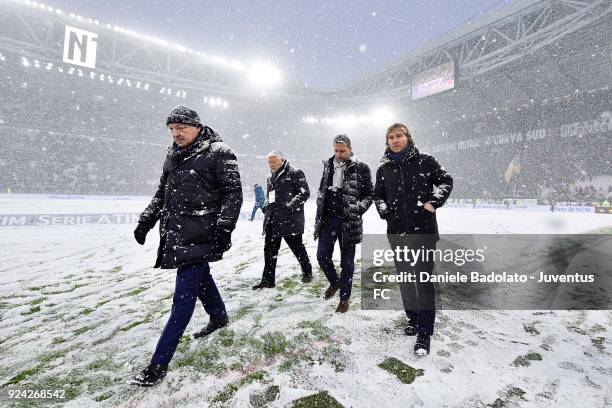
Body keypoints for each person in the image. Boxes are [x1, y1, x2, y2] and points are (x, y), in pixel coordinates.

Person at [130, 106, 243, 386]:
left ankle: (158, 363)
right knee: (201, 277)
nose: (176, 133)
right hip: (178, 232)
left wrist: (224, 228)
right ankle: (219, 317)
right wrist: (146, 221)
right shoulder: (172, 154)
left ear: (197, 126)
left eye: (181, 127)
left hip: (202, 232)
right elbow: (162, 193)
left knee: (182, 301)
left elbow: (233, 194)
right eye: (171, 128)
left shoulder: (219, 152)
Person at [373, 123, 452, 356]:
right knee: (406, 278)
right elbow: (378, 196)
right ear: (386, 142)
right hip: (397, 232)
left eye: (399, 136)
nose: (395, 140)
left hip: (423, 231)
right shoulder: (384, 168)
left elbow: (446, 181)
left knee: (423, 280)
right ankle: (414, 318)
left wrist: (434, 202)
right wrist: (385, 211)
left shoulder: (425, 161)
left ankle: (425, 332)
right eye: (391, 137)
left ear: (408, 138)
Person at [314, 135, 373, 313]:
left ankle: (344, 299)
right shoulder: (328, 165)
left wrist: (357, 209)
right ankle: (335, 282)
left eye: (342, 151)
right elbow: (322, 188)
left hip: (349, 221)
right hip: (328, 220)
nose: (339, 154)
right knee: (322, 257)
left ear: (350, 149)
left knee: (347, 264)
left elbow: (370, 194)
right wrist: (320, 200)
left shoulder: (361, 167)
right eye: (336, 150)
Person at [253, 151, 313, 289]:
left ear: (282, 160)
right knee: (269, 251)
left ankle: (307, 272)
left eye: (274, 161)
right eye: (269, 162)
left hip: (290, 221)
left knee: (297, 249)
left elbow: (304, 193)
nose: (271, 164)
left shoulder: (295, 172)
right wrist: (266, 208)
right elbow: (270, 196)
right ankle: (268, 281)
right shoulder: (270, 177)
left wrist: (289, 207)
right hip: (272, 221)